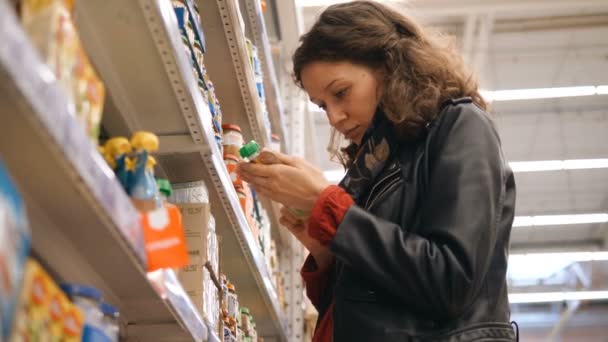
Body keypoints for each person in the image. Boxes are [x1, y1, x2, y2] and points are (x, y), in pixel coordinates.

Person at [237, 1, 517, 341]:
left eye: (341, 93)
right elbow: (370, 309)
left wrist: (329, 207)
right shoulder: (373, 164)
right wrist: (326, 251)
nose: (335, 117)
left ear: (390, 65)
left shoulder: (462, 126)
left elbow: (451, 282)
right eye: (323, 105)